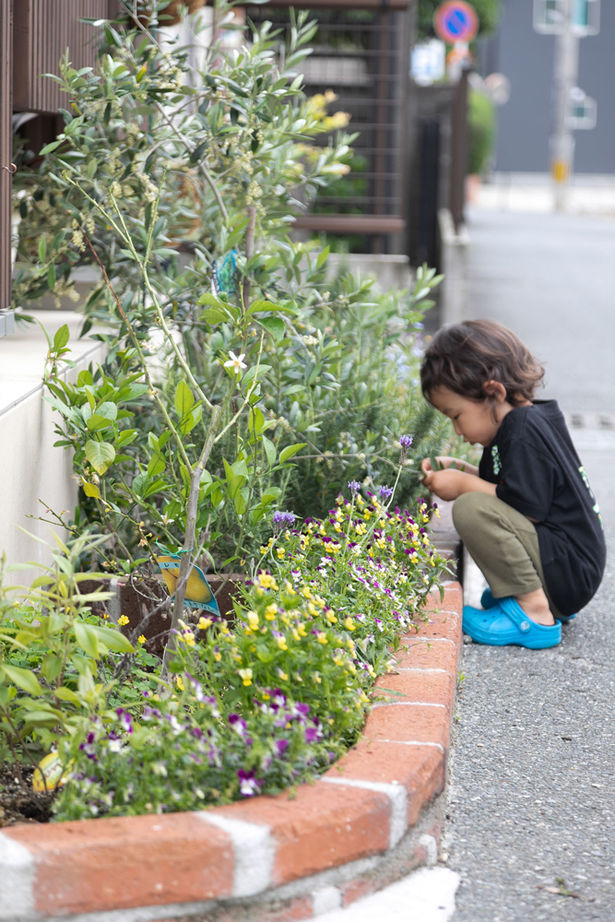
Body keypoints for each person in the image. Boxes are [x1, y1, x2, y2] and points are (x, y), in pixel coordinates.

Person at [419, 319, 605, 650]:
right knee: (476, 500)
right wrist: (462, 471)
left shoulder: (521, 432)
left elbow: (524, 505)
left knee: (470, 509)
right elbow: (511, 489)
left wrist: (462, 485)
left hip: (568, 573)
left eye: (456, 416)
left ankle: (534, 612)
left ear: (494, 393)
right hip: (571, 568)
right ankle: (533, 594)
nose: (457, 431)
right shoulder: (526, 422)